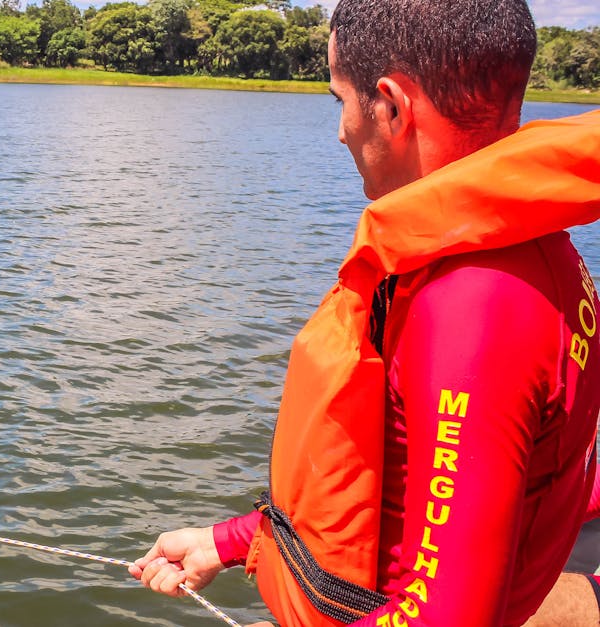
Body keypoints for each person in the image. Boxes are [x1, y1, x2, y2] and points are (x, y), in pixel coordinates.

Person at [130, 1, 600, 625]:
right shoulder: (532, 238)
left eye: (339, 100)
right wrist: (229, 541)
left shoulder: (471, 303)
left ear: (391, 106)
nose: (341, 131)